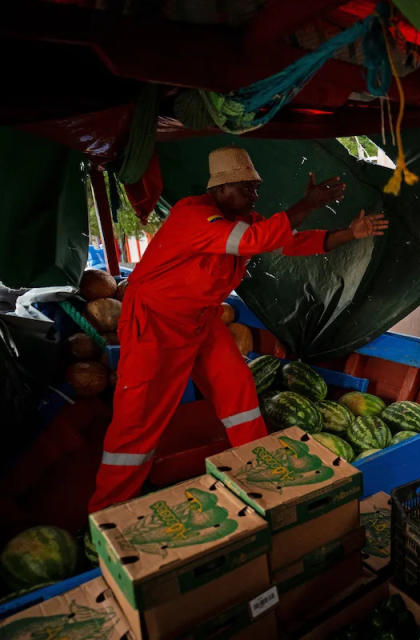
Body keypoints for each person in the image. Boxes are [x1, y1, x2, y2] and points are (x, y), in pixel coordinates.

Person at [89, 147, 389, 512]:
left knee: (238, 389)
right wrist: (307, 203)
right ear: (221, 190)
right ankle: (107, 510)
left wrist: (350, 233)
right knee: (139, 418)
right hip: (156, 324)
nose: (255, 195)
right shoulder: (193, 215)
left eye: (255, 188)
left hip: (200, 320)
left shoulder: (243, 219)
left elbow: (288, 241)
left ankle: (258, 470)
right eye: (247, 188)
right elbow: (254, 242)